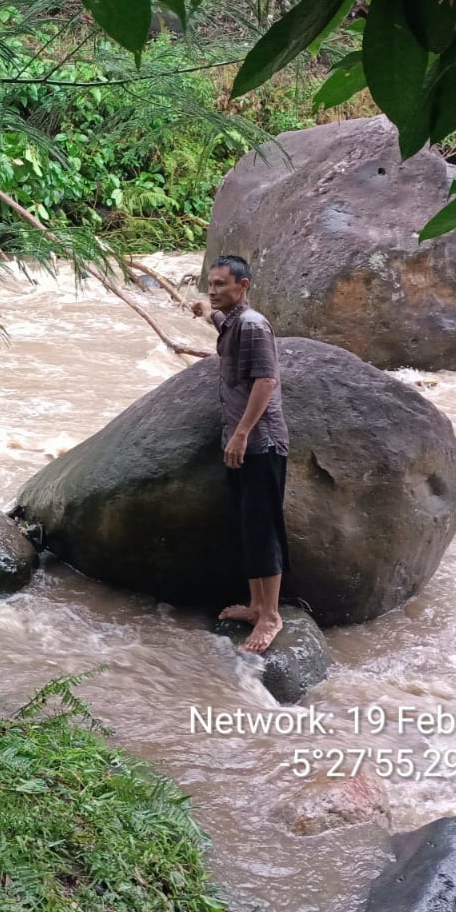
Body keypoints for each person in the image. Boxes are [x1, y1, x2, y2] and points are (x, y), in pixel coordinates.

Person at [191, 254, 291, 654]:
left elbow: (266, 381)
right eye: (210, 285)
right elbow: (220, 321)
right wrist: (204, 312)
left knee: (263, 528)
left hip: (261, 442)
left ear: (243, 286)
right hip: (241, 442)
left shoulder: (253, 326)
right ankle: (255, 605)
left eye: (220, 285)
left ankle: (271, 616)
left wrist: (242, 433)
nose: (213, 291)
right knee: (248, 527)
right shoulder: (230, 320)